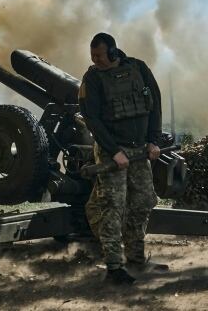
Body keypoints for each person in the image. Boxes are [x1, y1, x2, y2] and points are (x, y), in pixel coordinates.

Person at [79, 33, 163, 285]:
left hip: (140, 150)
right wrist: (114, 150)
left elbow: (154, 104)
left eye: (100, 56)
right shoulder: (92, 78)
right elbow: (91, 118)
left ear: (114, 53)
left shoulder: (138, 68)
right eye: (92, 56)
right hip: (111, 153)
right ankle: (114, 266)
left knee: (143, 202)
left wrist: (154, 140)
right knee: (112, 207)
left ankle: (136, 258)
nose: (95, 60)